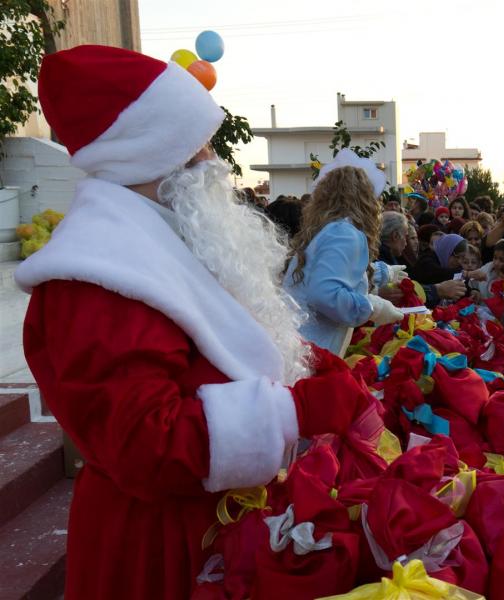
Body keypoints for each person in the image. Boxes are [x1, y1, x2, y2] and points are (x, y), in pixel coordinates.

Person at [16, 45, 374, 599]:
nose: (214, 163)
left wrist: (301, 365)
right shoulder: (97, 274)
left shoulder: (159, 240)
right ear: (151, 155)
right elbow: (143, 445)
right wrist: (297, 410)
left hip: (202, 524)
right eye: (197, 148)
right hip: (155, 549)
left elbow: (212, 344)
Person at [283, 151, 404, 356]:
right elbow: (325, 293)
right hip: (312, 351)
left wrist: (385, 273)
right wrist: (373, 307)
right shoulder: (344, 232)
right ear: (364, 198)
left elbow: (334, 271)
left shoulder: (329, 229)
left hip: (298, 344)